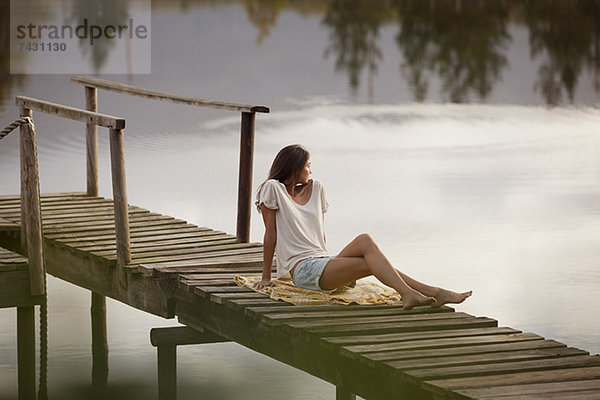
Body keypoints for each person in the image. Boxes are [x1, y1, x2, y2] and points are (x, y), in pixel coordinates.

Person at [254, 144, 472, 309]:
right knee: (370, 262)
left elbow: (320, 236)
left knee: (364, 241)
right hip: (303, 270)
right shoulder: (273, 189)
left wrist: (335, 262)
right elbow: (270, 235)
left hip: (323, 262)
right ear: (294, 167)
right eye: (308, 165)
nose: (311, 170)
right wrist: (266, 277)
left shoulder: (317, 188)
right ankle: (422, 292)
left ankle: (420, 293)